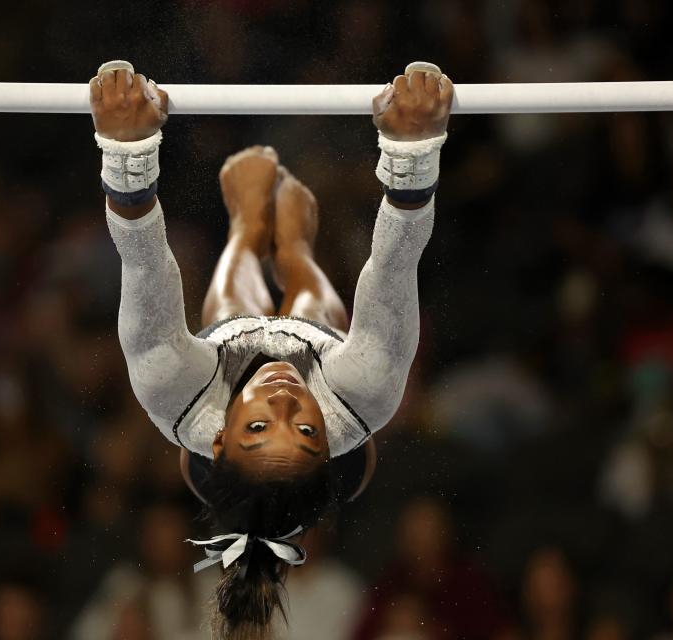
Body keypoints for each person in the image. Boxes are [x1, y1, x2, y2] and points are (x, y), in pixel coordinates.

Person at [89, 59, 453, 639]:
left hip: (217, 378)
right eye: (306, 431)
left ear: (221, 439)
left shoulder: (178, 396)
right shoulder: (359, 399)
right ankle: (291, 248)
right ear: (327, 444)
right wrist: (412, 152)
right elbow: (394, 263)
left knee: (231, 304)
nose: (283, 402)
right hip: (331, 387)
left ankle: (246, 228)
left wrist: (126, 152)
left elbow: (142, 259)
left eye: (258, 427)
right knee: (308, 293)